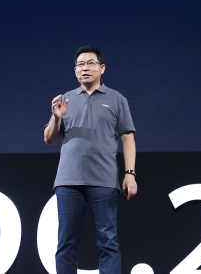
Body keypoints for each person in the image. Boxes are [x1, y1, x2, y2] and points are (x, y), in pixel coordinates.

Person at [44, 46, 137, 274]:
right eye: (80, 64)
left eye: (90, 63)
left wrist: (130, 173)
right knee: (66, 242)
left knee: (108, 242)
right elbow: (49, 139)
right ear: (75, 70)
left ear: (102, 68)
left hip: (104, 180)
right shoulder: (65, 99)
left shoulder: (117, 99)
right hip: (68, 181)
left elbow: (127, 138)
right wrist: (57, 119)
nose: (85, 68)